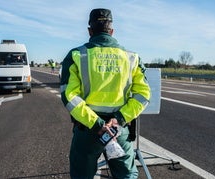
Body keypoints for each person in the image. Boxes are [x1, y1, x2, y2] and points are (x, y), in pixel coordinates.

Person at [60, 8, 151, 179]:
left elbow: (69, 96)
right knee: (126, 175)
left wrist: (97, 124)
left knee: (82, 175)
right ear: (112, 31)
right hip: (118, 129)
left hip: (88, 129)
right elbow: (143, 95)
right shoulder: (132, 57)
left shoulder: (77, 55)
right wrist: (119, 119)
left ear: (90, 30)